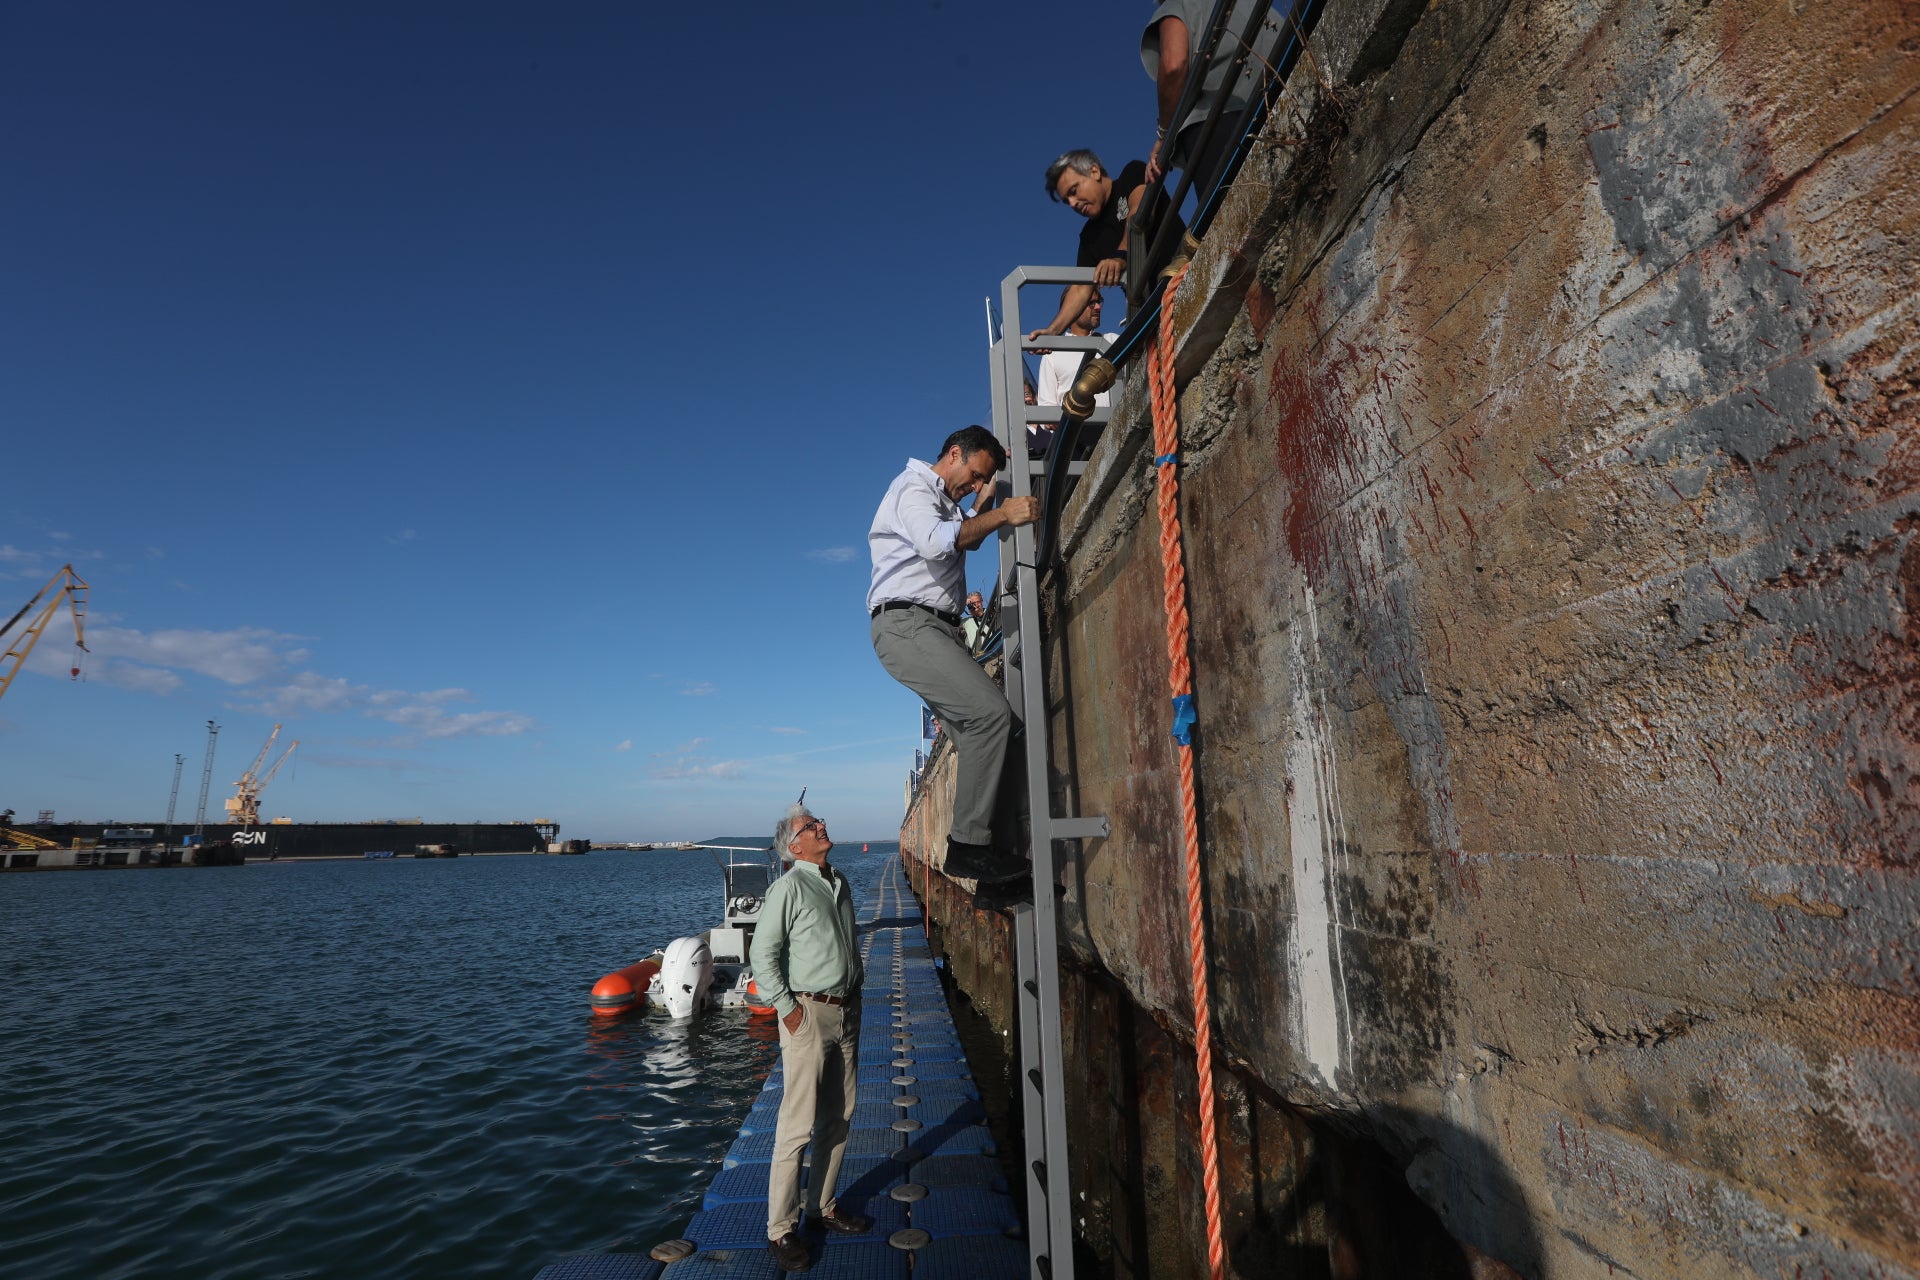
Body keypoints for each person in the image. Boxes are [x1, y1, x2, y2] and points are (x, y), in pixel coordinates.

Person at [868, 426, 1040, 906]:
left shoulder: (945, 501)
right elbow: (937, 542)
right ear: (955, 453)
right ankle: (968, 848)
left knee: (1000, 734)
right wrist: (1004, 511)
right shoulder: (914, 488)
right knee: (990, 716)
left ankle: (995, 878)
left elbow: (968, 536)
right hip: (907, 625)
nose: (974, 485)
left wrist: (990, 492)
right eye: (974, 474)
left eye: (981, 479)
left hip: (934, 630)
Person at [750, 804, 869, 1271]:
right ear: (794, 846)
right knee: (797, 1125)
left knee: (839, 1115)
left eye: (818, 822)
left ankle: (822, 1206)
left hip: (847, 1009)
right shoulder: (788, 887)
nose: (821, 826)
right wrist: (789, 1010)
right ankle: (780, 1229)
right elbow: (763, 954)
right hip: (808, 1014)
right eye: (810, 826)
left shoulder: (839, 881)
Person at [1027, 150, 1184, 343]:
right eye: (1067, 201)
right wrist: (1053, 330)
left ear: (1094, 172)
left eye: (1074, 191)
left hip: (1184, 277)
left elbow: (1139, 212)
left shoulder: (1132, 173)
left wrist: (1120, 257)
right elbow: (1081, 288)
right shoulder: (1089, 237)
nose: (1073, 203)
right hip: (1156, 319)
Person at [1142, 0, 1291, 197]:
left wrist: (1164, 136)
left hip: (1219, 126)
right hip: (1286, 99)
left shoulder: (1176, 6)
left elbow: (1173, 67)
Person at [1035, 288, 1119, 415]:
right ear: (1071, 309)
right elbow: (1046, 407)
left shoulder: (1113, 341)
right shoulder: (1053, 353)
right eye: (1091, 302)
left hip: (1120, 425)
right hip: (1074, 427)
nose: (1098, 307)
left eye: (1099, 301)